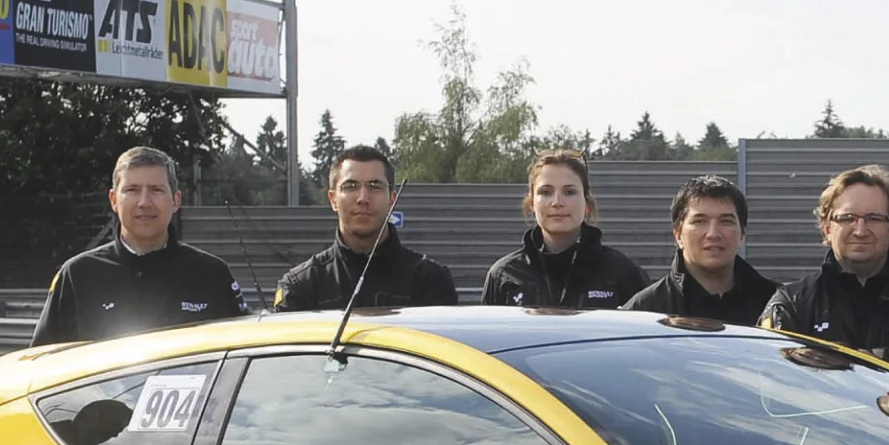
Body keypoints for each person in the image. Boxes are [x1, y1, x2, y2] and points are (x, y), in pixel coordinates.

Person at [760, 166, 889, 385]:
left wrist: (826, 358)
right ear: (827, 228)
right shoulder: (792, 303)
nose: (860, 230)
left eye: (873, 218)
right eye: (847, 218)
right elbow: (777, 379)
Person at [32, 146, 244, 346]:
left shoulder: (212, 274)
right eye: (132, 190)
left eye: (156, 190)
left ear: (176, 200)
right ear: (114, 200)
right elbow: (41, 362)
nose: (144, 202)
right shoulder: (77, 276)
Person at [273, 142, 457, 313]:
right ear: (333, 199)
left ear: (392, 200)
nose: (363, 198)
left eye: (375, 186)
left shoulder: (430, 281)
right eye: (350, 186)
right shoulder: (301, 285)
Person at [481, 149, 650, 308]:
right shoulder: (504, 275)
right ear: (532, 204)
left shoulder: (623, 273)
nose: (557, 202)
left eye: (569, 192)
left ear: (587, 204)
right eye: (546, 192)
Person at [627, 176, 778, 323]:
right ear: (678, 235)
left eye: (726, 221)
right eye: (700, 221)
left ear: (742, 235)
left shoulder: (778, 305)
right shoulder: (643, 312)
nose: (713, 234)